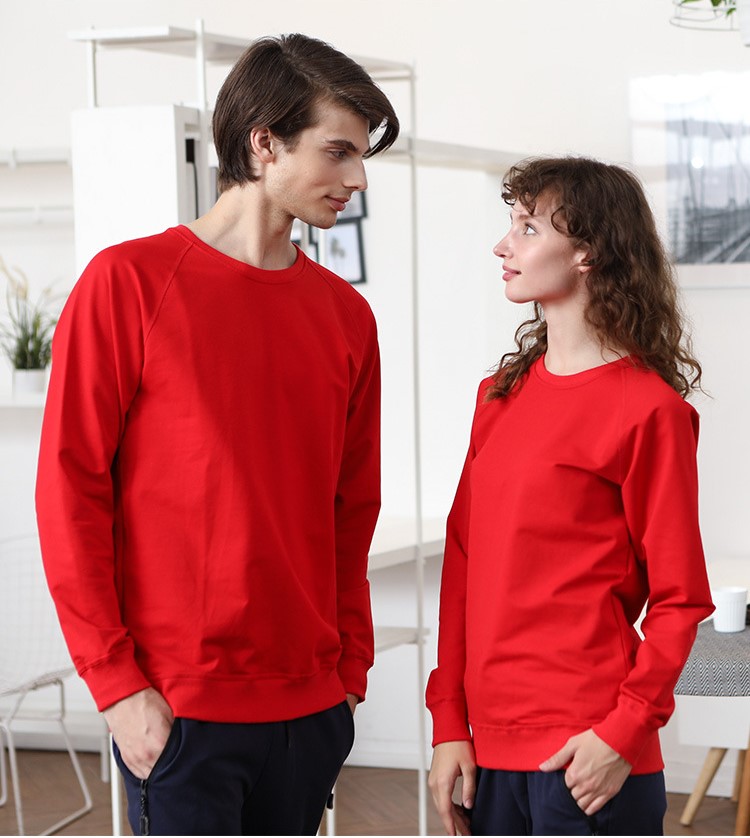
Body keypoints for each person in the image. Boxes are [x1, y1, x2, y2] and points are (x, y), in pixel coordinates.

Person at [35, 33, 399, 836]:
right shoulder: (127, 284)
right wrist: (117, 687)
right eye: (338, 151)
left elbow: (352, 508)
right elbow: (70, 494)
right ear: (264, 143)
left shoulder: (347, 318)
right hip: (178, 710)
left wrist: (349, 672)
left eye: (362, 155)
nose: (358, 178)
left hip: (311, 708)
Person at [425, 156, 714, 837]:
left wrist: (625, 732)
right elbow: (463, 562)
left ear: (587, 252)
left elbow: (680, 599)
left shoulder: (649, 411)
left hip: (590, 751)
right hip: (488, 748)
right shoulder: (498, 397)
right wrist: (449, 723)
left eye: (528, 228)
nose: (503, 245)